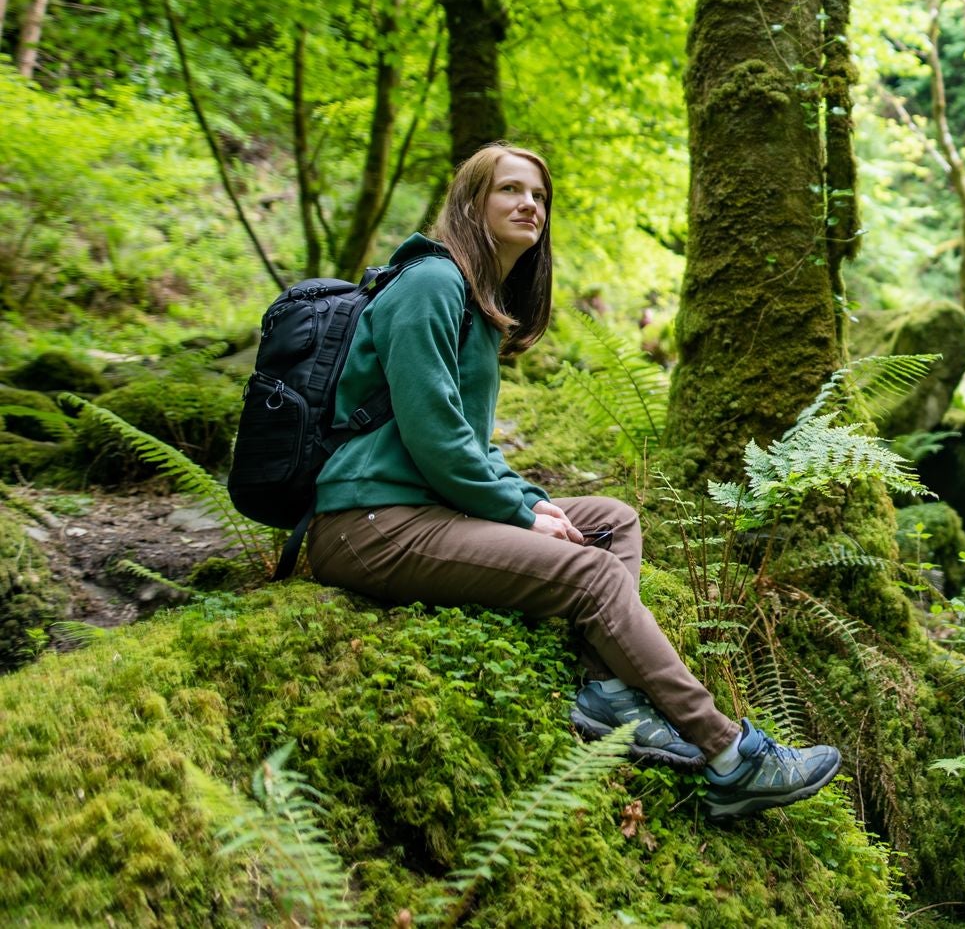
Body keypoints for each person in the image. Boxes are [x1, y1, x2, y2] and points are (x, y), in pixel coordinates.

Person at [306, 141, 840, 819]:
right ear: (472, 203)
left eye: (539, 195)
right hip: (368, 523)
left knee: (611, 518)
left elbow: (466, 441)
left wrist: (528, 499)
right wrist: (521, 513)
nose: (530, 203)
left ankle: (608, 692)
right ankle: (731, 753)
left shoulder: (474, 297)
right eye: (510, 190)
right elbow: (432, 433)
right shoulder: (430, 285)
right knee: (588, 574)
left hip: (421, 507)